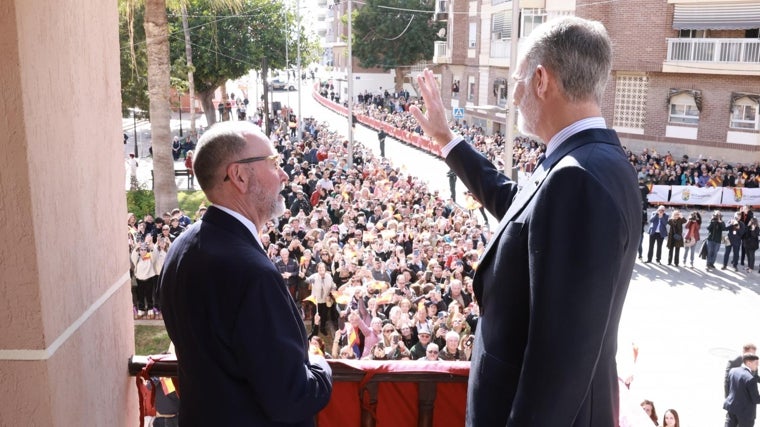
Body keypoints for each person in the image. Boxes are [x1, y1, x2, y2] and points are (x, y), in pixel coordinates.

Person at [409, 16, 641, 426]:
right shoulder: (586, 159)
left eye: (515, 80)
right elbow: (519, 207)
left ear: (540, 79)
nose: (512, 95)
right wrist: (448, 140)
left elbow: (562, 356)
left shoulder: (578, 175)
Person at [159, 121, 332, 426]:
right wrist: (319, 364)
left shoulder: (182, 246)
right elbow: (293, 398)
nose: (284, 173)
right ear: (239, 175)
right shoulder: (252, 273)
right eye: (274, 162)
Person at [724, 353, 760, 427]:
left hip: (732, 407)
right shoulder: (751, 379)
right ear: (749, 363)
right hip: (745, 413)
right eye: (756, 363)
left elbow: (729, 385)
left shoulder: (733, 371)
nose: (757, 366)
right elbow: (756, 399)